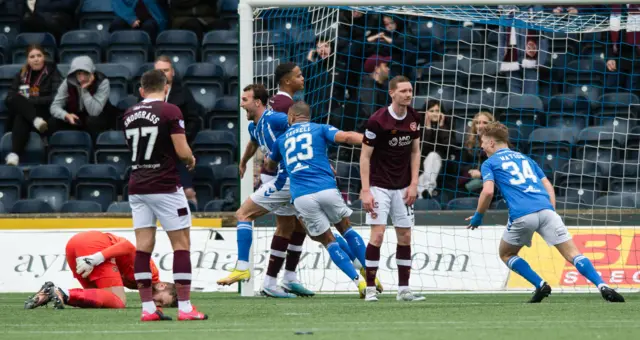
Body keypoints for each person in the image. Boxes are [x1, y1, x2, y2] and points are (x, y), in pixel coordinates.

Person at [466, 122, 625, 303]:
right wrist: (551, 210)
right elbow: (547, 184)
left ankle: (540, 284)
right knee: (573, 254)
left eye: (484, 142)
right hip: (547, 210)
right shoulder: (526, 159)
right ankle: (602, 285)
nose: (482, 146)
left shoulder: (489, 163)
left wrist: (478, 217)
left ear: (492, 143)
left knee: (506, 254)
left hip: (522, 214)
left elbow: (487, 192)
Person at [122, 69, 206, 321]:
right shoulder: (170, 111)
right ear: (166, 87)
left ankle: (148, 309)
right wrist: (190, 158)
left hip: (137, 185)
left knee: (143, 248)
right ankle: (185, 308)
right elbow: (181, 151)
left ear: (141, 90)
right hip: (165, 186)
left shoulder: (128, 114)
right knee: (181, 245)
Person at [216, 84, 314, 298]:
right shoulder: (255, 126)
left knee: (243, 214)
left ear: (257, 102)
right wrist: (243, 162)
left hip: (289, 178)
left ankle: (243, 266)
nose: (241, 104)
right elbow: (253, 142)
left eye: (244, 99)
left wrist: (313, 156)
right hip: (289, 179)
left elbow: (305, 131)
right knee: (291, 226)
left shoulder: (275, 119)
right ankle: (276, 281)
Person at [266, 100, 370, 297]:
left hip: (301, 196)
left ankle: (359, 283)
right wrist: (370, 140)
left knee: (329, 240)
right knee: (346, 229)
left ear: (291, 117)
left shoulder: (282, 139)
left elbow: (270, 165)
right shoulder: (320, 128)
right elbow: (346, 137)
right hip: (326, 189)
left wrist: (275, 160)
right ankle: (371, 275)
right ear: (307, 116)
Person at [360, 75, 425, 302]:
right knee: (377, 235)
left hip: (403, 186)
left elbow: (416, 152)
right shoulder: (377, 121)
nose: (408, 94)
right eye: (404, 91)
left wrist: (414, 183)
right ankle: (369, 289)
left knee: (405, 236)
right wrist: (366, 190)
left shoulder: (415, 117)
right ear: (392, 93)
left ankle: (403, 290)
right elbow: (365, 157)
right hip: (379, 186)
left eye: (410, 90)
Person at [24, 231, 176, 310]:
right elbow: (127, 246)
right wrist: (95, 259)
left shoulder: (141, 283)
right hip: (95, 246)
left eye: (160, 305)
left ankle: (46, 294)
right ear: (162, 286)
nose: (156, 304)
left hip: (75, 245)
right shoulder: (150, 274)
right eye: (161, 300)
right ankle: (61, 292)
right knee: (118, 302)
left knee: (96, 300)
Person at [152, 55, 202, 205]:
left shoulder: (184, 93)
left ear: (172, 72)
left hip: (179, 148)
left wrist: (182, 139)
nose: (162, 74)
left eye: (165, 70)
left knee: (187, 192)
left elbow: (194, 120)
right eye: (159, 71)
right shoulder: (146, 96)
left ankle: (194, 217)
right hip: (154, 151)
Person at [4, 45, 61, 166]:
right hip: (33, 118)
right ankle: (35, 120)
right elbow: (9, 98)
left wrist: (30, 101)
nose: (36, 59)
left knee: (21, 114)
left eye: (39, 56)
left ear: (44, 57)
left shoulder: (53, 72)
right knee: (18, 104)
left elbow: (56, 98)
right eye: (32, 57)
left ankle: (14, 154)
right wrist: (24, 102)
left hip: (45, 113)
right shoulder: (21, 74)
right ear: (28, 60)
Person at [49, 56, 118, 139]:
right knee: (53, 121)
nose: (82, 78)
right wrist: (66, 115)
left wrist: (84, 90)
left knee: (92, 121)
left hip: (99, 117)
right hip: (76, 116)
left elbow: (94, 112)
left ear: (92, 73)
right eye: (78, 74)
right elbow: (54, 107)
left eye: (86, 73)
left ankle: (94, 148)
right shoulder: (68, 82)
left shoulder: (102, 82)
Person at [418, 100, 452, 199]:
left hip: (442, 164)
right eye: (431, 111)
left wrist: (441, 126)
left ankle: (427, 189)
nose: (435, 113)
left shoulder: (448, 126)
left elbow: (449, 147)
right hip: (421, 164)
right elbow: (422, 149)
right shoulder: (419, 128)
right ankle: (423, 194)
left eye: (437, 111)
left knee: (432, 156)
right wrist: (428, 128)